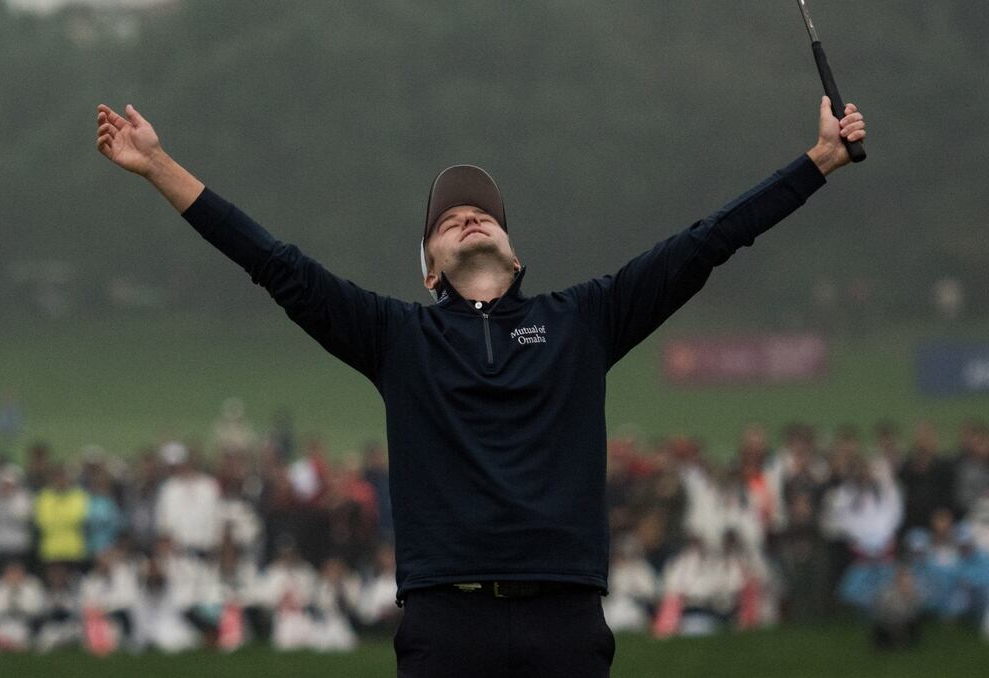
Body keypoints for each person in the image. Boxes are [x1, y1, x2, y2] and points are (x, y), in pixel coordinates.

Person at [96, 94, 865, 676]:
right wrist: (158, 166)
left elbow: (708, 243)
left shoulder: (585, 319)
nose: (468, 216)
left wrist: (819, 162)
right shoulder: (398, 338)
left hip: (564, 621)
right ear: (429, 268)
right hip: (444, 623)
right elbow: (274, 263)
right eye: (448, 218)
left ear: (515, 251)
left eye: (484, 213)